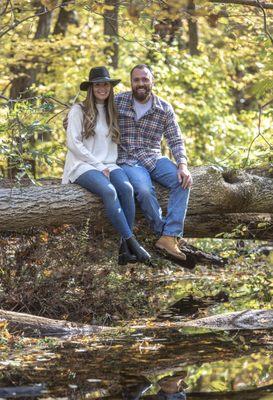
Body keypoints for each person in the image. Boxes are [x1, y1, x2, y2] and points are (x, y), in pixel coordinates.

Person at [62, 66, 151, 265]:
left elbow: (140, 101)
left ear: (110, 87)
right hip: (83, 165)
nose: (102, 88)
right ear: (91, 88)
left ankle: (123, 250)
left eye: (106, 84)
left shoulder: (113, 110)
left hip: (109, 163)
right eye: (97, 84)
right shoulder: (79, 110)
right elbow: (73, 143)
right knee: (109, 192)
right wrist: (97, 164)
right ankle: (132, 242)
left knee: (127, 189)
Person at [115, 64, 192, 264]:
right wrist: (73, 119)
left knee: (182, 180)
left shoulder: (164, 108)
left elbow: (175, 139)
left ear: (152, 81)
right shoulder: (118, 101)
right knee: (144, 190)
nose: (141, 83)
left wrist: (182, 164)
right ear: (131, 82)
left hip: (153, 157)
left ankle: (171, 234)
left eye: (145, 79)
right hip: (128, 159)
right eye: (136, 80)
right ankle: (162, 234)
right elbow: (93, 111)